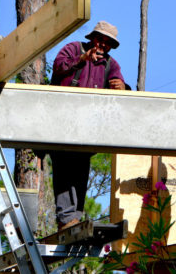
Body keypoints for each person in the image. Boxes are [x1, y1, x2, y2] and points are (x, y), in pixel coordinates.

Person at [50, 21, 128, 231]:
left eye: (107, 42)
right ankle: (66, 219)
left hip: (88, 130)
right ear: (92, 37)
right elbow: (58, 67)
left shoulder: (111, 64)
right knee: (64, 169)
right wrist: (81, 60)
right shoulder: (74, 49)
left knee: (80, 172)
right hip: (63, 125)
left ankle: (74, 218)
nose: (102, 44)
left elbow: (121, 87)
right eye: (100, 39)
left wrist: (122, 87)